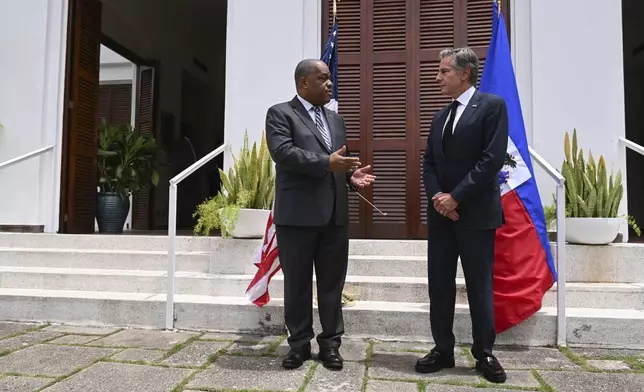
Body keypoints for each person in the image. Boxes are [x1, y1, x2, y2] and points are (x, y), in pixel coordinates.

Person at [265, 59, 376, 371]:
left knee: (331, 285)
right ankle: (298, 345)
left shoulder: (335, 119)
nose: (331, 84)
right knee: (297, 284)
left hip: (334, 217)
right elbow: (283, 153)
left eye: (330, 79)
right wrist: (328, 163)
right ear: (303, 83)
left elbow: (337, 164)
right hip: (297, 217)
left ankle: (330, 345)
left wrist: (349, 178)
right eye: (324, 79)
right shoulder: (280, 113)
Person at [419, 47, 509, 383]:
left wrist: (456, 198)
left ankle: (484, 352)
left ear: (464, 74)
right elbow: (429, 163)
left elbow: (491, 160)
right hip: (443, 217)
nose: (437, 77)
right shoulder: (440, 116)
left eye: (443, 71)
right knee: (439, 286)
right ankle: (442, 349)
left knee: (479, 286)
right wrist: (439, 199)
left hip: (475, 215)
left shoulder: (492, 107)